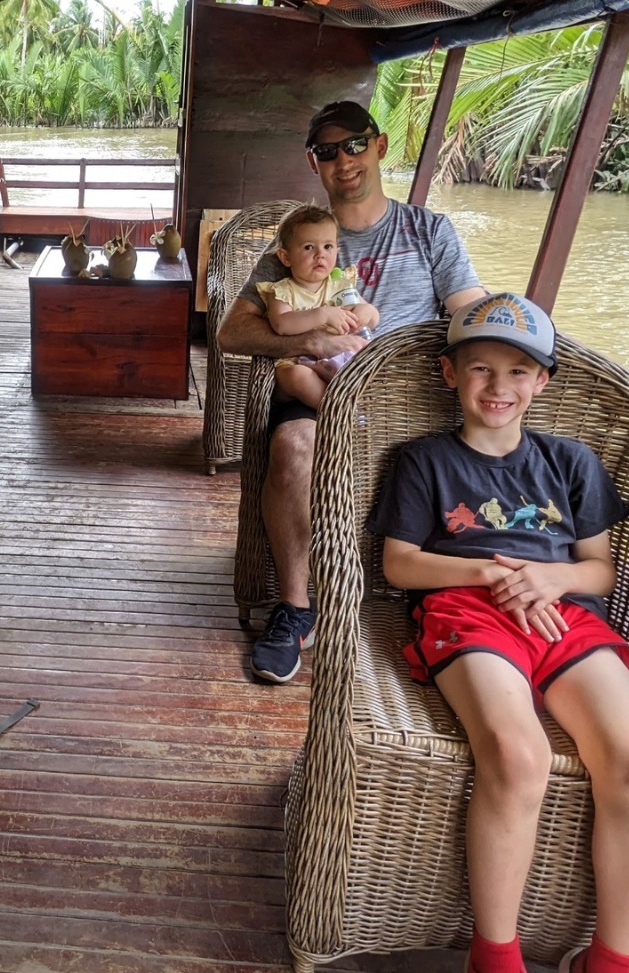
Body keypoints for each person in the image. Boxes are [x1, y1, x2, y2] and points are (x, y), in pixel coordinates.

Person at [368, 293, 629, 973]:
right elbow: (399, 562)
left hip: (563, 616)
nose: (496, 385)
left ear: (540, 380)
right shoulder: (424, 460)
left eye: (515, 370)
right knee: (518, 753)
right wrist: (491, 577)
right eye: (479, 368)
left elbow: (599, 569)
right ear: (450, 373)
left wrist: (546, 581)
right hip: (467, 615)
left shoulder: (571, 462)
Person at [217, 100, 488, 683]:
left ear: (381, 146)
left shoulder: (429, 231)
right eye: (328, 151)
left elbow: (470, 314)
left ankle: (437, 593)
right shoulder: (301, 241)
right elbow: (232, 332)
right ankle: (295, 607)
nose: (344, 160)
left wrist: (507, 360)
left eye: (355, 145)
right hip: (317, 386)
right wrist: (307, 340)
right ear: (314, 163)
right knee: (291, 447)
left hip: (405, 387)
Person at [257, 205, 378, 409]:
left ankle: (362, 402)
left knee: (370, 358)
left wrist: (364, 313)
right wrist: (322, 315)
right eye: (308, 247)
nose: (320, 255)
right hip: (299, 364)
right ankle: (338, 412)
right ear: (286, 257)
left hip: (341, 359)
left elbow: (373, 317)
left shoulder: (341, 285)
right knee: (295, 376)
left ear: (337, 251)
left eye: (328, 247)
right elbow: (281, 324)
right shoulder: (284, 291)